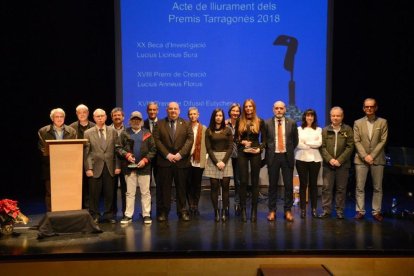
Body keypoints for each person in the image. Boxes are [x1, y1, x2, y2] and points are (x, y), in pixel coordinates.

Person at [153, 102, 194, 221]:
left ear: (179, 110)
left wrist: (180, 154)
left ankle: (182, 211)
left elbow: (190, 139)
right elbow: (157, 140)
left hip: (181, 162)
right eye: (170, 109)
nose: (173, 111)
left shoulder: (186, 123)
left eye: (175, 109)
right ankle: (163, 212)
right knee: (164, 189)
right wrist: (167, 154)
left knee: (181, 188)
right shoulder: (159, 124)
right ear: (167, 110)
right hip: (165, 162)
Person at [117, 111, 156, 224]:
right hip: (129, 168)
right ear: (130, 121)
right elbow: (118, 147)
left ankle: (146, 214)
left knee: (145, 192)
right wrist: (127, 155)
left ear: (141, 121)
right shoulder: (125, 133)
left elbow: (153, 150)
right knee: (130, 193)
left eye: (138, 119)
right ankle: (128, 215)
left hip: (144, 167)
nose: (136, 121)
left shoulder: (147, 133)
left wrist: (145, 160)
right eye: (133, 119)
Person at [84, 108, 121, 223]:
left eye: (102, 116)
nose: (100, 118)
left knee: (109, 193)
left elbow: (117, 150)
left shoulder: (113, 131)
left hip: (110, 166)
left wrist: (117, 166)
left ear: (106, 117)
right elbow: (87, 152)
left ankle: (109, 215)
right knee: (94, 193)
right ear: (94, 118)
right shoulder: (88, 132)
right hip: (95, 167)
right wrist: (88, 168)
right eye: (97, 116)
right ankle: (94, 215)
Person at [353, 98, 388, 222]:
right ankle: (360, 211)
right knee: (359, 187)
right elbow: (356, 140)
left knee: (377, 187)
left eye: (371, 106)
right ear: (363, 108)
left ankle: (376, 211)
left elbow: (383, 140)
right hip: (361, 159)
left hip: (377, 159)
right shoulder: (357, 123)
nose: (369, 109)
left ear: (375, 107)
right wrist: (365, 156)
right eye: (366, 107)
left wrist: (372, 156)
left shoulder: (382, 122)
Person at [264, 101, 298, 222]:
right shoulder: (267, 123)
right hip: (273, 157)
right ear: (273, 109)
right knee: (272, 185)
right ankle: (272, 210)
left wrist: (287, 150)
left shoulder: (292, 123)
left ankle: (287, 210)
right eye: (276, 108)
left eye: (281, 108)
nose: (279, 110)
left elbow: (295, 141)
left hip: (286, 157)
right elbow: (264, 140)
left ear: (285, 110)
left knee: (288, 185)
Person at [38, 108, 77, 211]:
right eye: (57, 117)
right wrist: (56, 161)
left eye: (61, 116)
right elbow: (42, 149)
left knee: (67, 191)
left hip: (67, 168)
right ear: (52, 118)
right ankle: (51, 214)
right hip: (50, 166)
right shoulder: (43, 131)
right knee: (50, 192)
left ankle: (67, 212)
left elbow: (74, 149)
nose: (59, 119)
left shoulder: (72, 131)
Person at [319, 106, 354, 219]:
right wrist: (330, 159)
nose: (335, 118)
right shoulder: (325, 130)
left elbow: (350, 146)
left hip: (343, 165)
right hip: (328, 165)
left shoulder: (347, 129)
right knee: (326, 188)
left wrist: (340, 160)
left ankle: (339, 211)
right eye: (333, 115)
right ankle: (326, 210)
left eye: (338, 115)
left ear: (342, 117)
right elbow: (322, 147)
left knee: (341, 189)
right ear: (330, 117)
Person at [235, 99, 266, 222]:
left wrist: (259, 149)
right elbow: (235, 139)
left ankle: (254, 211)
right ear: (244, 108)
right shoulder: (239, 121)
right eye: (246, 106)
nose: (248, 108)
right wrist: (242, 141)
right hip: (243, 152)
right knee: (243, 181)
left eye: (250, 106)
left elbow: (264, 140)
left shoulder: (260, 121)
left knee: (254, 182)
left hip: (255, 152)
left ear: (254, 108)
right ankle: (243, 210)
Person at [205, 108, 233, 222]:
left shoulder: (228, 130)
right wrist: (216, 162)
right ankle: (216, 211)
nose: (218, 117)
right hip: (213, 160)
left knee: (226, 187)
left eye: (220, 115)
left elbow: (231, 147)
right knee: (214, 187)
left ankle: (225, 210)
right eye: (216, 115)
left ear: (223, 117)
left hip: (225, 159)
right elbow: (208, 148)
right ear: (213, 117)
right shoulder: (208, 130)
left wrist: (223, 161)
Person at [294, 109, 322, 218]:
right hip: (301, 159)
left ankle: (314, 209)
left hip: (315, 159)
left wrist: (307, 143)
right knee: (303, 185)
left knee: (313, 185)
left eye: (312, 116)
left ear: (314, 117)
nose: (309, 118)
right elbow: (298, 144)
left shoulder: (319, 129)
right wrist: (310, 145)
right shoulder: (299, 129)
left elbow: (319, 143)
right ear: (304, 117)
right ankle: (303, 210)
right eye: (308, 116)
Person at [69, 104, 96, 209]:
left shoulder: (94, 126)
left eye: (84, 112)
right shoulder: (71, 128)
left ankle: (90, 210)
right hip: (76, 162)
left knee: (91, 188)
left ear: (88, 113)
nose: (82, 114)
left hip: (91, 162)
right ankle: (77, 208)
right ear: (76, 114)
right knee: (77, 186)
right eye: (80, 112)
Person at [186, 107, 207, 216]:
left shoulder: (203, 128)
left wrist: (206, 157)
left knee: (197, 184)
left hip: (199, 160)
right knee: (188, 183)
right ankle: (190, 205)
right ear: (188, 116)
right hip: (187, 160)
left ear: (198, 115)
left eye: (195, 114)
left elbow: (207, 144)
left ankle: (195, 205)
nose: (193, 116)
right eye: (191, 114)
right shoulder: (185, 127)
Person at [110, 107, 127, 218]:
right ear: (112, 117)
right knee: (111, 190)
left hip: (125, 164)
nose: (117, 117)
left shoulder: (129, 130)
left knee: (126, 190)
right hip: (110, 164)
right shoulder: (107, 129)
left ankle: (126, 212)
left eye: (119, 115)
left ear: (123, 117)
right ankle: (112, 213)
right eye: (115, 115)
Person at [225, 103, 242, 216]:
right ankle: (226, 205)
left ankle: (237, 203)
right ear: (230, 112)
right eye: (233, 111)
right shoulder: (224, 124)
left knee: (238, 181)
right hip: (227, 156)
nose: (235, 113)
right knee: (225, 181)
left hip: (240, 156)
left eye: (237, 111)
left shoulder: (243, 123)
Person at [143, 102, 159, 186]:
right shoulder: (142, 125)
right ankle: (147, 200)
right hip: (146, 157)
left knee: (160, 183)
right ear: (147, 111)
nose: (152, 111)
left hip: (160, 158)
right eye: (150, 110)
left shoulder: (163, 123)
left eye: (154, 109)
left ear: (157, 111)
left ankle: (160, 200)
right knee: (146, 184)